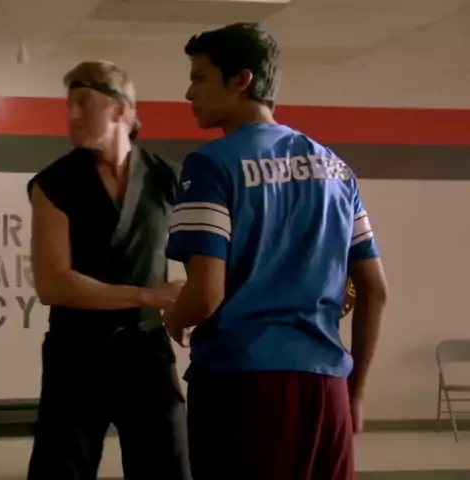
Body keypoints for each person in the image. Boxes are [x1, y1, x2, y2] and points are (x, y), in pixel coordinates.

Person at [163, 23, 389, 480]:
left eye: (200, 77)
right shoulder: (336, 169)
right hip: (328, 387)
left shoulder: (210, 165)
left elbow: (206, 294)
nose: (189, 93)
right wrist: (356, 390)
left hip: (242, 385)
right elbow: (375, 290)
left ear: (241, 80)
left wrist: (173, 316)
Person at [26, 60, 192, 480]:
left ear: (120, 109)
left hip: (147, 351)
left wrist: (193, 306)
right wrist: (149, 296)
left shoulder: (168, 178)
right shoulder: (54, 183)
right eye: (69, 105)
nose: (72, 115)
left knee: (169, 469)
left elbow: (204, 259)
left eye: (83, 103)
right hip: (75, 353)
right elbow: (53, 284)